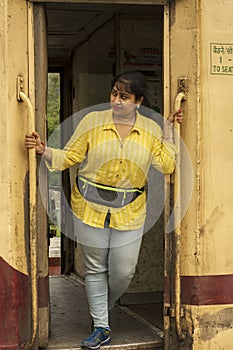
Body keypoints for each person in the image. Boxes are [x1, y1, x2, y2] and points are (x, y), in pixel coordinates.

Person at [25, 71, 182, 349]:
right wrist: (43, 150)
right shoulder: (92, 121)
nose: (116, 101)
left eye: (124, 96)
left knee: (124, 271)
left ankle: (102, 310)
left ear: (138, 101)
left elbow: (166, 166)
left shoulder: (151, 129)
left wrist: (168, 134)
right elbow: (70, 157)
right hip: (89, 206)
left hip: (131, 210)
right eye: (114, 94)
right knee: (96, 268)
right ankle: (101, 326)